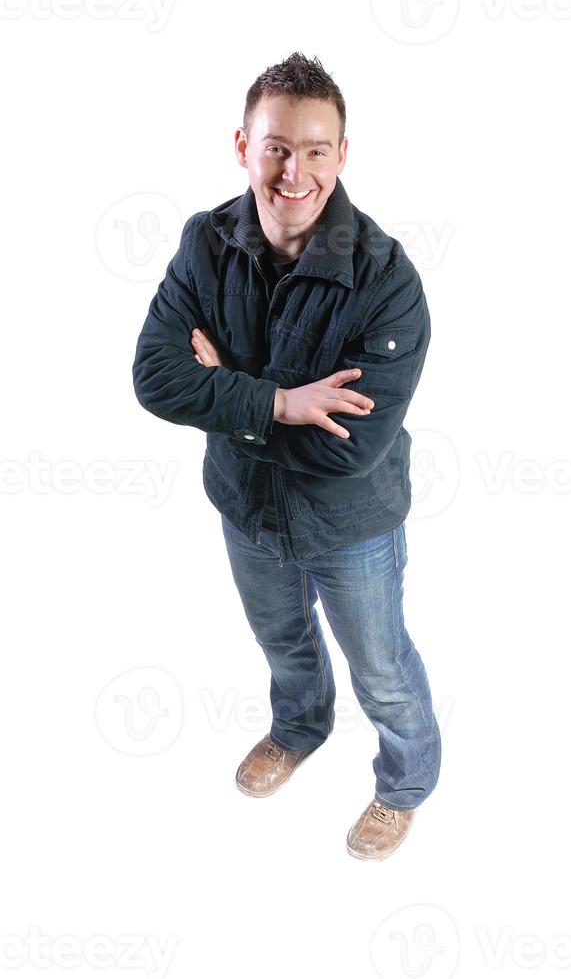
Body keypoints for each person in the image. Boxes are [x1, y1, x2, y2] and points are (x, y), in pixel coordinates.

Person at [132, 52, 441, 861]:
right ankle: (300, 729)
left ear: (342, 155)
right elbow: (153, 378)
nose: (292, 171)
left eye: (313, 150)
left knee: (380, 665)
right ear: (243, 146)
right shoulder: (206, 242)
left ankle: (404, 784)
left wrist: (222, 388)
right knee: (282, 642)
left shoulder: (387, 279)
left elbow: (351, 450)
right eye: (275, 147)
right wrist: (278, 401)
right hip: (245, 509)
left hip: (352, 524)